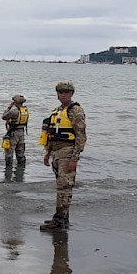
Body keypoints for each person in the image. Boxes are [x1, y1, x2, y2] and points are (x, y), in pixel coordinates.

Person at [40, 81, 86, 230]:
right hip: (56, 152)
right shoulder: (57, 111)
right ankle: (62, 218)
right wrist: (47, 153)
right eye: (61, 92)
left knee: (64, 188)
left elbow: (81, 136)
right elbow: (51, 134)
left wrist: (75, 157)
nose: (63, 95)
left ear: (72, 93)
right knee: (61, 186)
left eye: (66, 92)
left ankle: (59, 220)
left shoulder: (76, 111)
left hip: (67, 152)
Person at [1, 94, 30, 166]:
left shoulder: (14, 111)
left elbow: (4, 117)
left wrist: (9, 107)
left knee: (9, 153)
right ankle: (21, 170)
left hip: (13, 133)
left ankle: (8, 171)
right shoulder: (25, 110)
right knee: (20, 153)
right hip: (22, 133)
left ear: (15, 102)